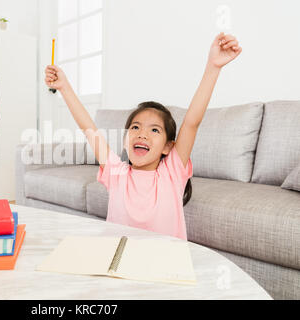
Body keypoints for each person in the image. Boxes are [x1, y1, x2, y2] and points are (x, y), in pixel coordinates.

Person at [44, 32, 242, 240]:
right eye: (136, 127)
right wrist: (64, 87)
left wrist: (213, 67)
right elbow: (88, 128)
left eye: (154, 130)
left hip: (163, 266)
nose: (142, 134)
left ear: (168, 147)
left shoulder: (171, 173)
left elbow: (192, 123)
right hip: (121, 264)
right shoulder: (116, 173)